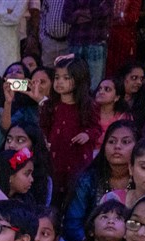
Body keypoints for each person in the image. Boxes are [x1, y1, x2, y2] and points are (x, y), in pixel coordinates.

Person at [41, 55, 101, 206]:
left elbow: (96, 128)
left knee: (74, 197)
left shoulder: (88, 106)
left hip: (77, 160)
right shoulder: (49, 105)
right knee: (53, 197)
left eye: (66, 78)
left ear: (79, 79)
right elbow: (44, 127)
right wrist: (45, 140)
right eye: (57, 77)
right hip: (54, 159)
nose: (60, 82)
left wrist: (87, 135)